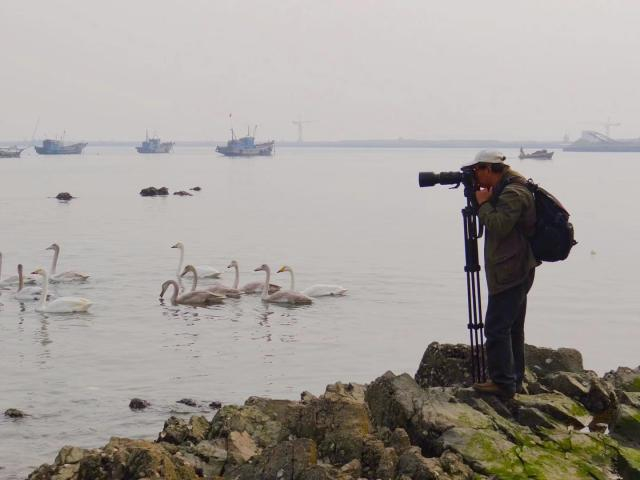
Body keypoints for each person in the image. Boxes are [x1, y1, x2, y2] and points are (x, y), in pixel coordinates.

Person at [466, 150, 538, 398]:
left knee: (497, 327)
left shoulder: (513, 192)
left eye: (476, 170)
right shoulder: (506, 188)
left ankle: (503, 383)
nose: (474, 175)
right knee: (512, 327)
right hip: (514, 266)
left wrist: (483, 204)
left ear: (489, 168)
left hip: (511, 270)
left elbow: (498, 225)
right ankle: (514, 380)